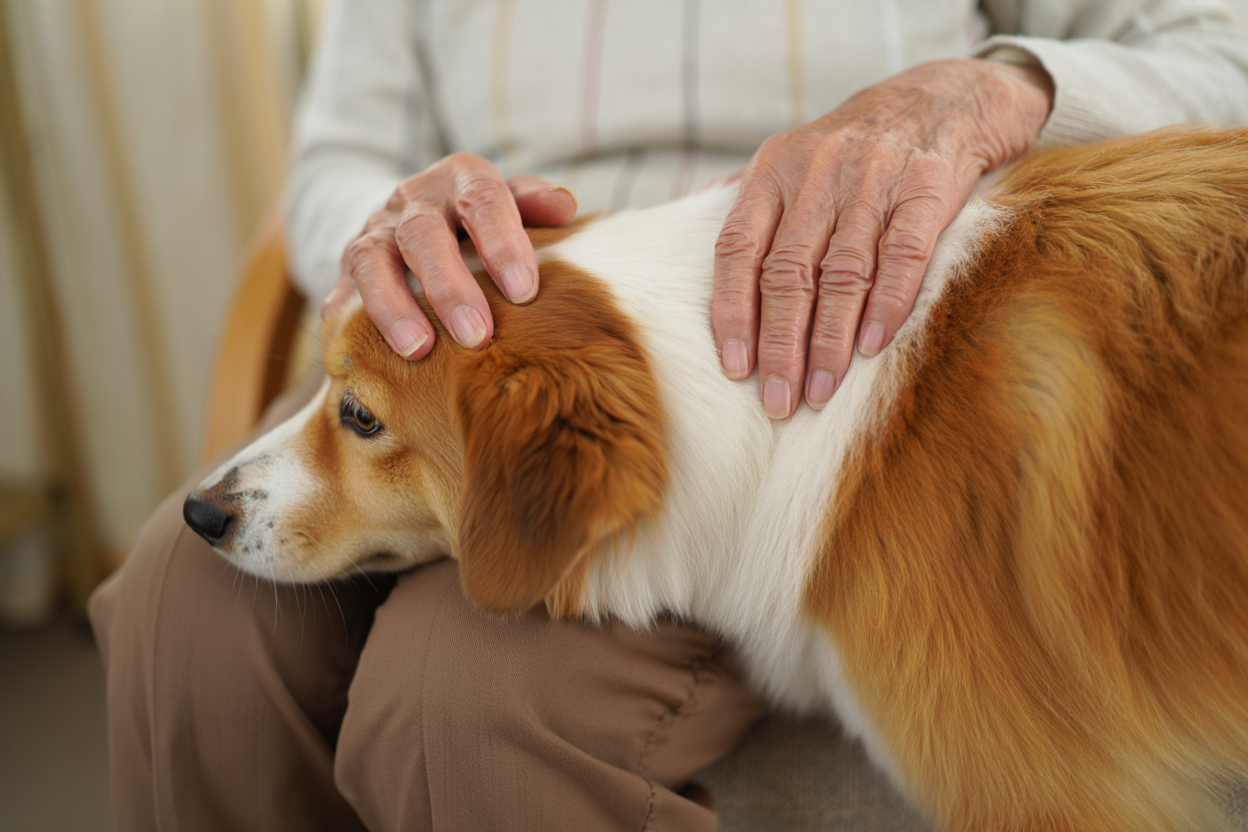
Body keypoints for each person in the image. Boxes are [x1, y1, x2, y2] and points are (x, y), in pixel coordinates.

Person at [90, 1, 1248, 830]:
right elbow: (336, 154)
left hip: (760, 404)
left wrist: (1002, 86)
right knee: (181, 606)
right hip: (435, 344)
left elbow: (1222, 43)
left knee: (464, 706)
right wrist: (394, 231)